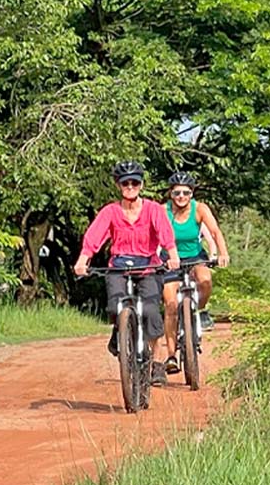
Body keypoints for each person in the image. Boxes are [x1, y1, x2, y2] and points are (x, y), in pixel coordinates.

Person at [74, 161, 181, 387]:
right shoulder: (110, 211)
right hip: (119, 265)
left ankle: (157, 363)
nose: (130, 186)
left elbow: (165, 234)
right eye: (125, 183)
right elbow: (94, 237)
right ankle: (120, 330)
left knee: (151, 311)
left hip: (148, 265)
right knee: (114, 306)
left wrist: (172, 256)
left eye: (135, 182)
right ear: (118, 185)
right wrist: (83, 260)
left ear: (141, 185)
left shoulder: (153, 209)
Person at [160, 170, 230, 373]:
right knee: (170, 303)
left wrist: (222, 253)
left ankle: (199, 311)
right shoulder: (163, 211)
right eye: (176, 193)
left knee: (205, 279)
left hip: (195, 256)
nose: (181, 197)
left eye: (185, 192)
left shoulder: (199, 209)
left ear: (191, 194)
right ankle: (171, 355)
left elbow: (215, 232)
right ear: (170, 194)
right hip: (170, 259)